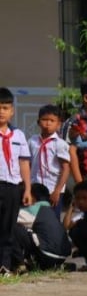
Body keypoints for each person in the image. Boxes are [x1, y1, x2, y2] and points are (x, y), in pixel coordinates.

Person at [0, 86, 32, 275]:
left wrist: (27, 189)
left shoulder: (18, 135)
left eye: (5, 108)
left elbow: (24, 163)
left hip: (12, 186)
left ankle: (5, 265)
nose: (1, 112)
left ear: (12, 111)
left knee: (8, 226)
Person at [12, 183, 70, 272]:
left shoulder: (34, 209)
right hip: (61, 258)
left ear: (32, 197)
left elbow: (9, 219)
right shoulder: (50, 210)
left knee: (12, 227)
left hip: (46, 255)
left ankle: (19, 264)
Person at [28, 104, 71, 215]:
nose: (48, 123)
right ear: (38, 122)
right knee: (34, 216)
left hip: (53, 188)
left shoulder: (60, 144)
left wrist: (57, 191)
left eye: (52, 120)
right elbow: (27, 164)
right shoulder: (32, 141)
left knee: (53, 217)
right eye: (44, 120)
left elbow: (65, 169)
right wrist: (27, 187)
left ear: (58, 124)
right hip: (35, 188)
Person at [60, 78, 87, 186]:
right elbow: (69, 154)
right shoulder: (74, 122)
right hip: (84, 178)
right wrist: (80, 184)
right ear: (86, 98)